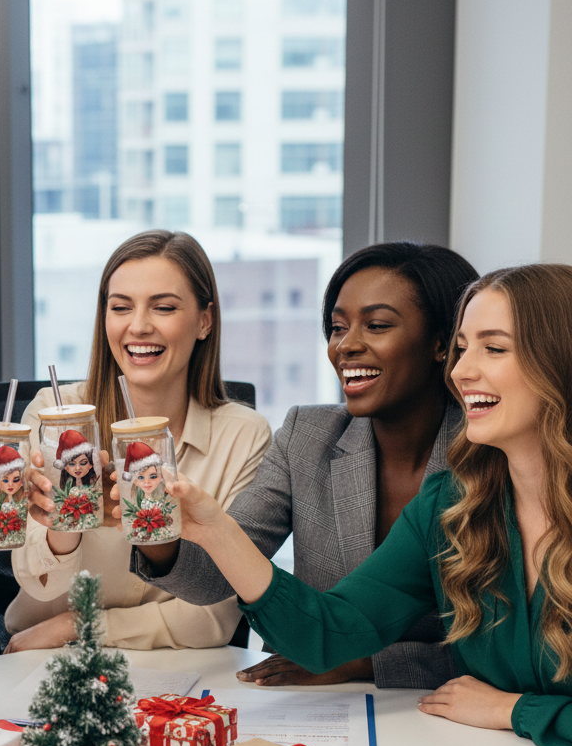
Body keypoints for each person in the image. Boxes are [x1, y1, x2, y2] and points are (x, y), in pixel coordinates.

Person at [143, 263, 572, 746]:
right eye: (463, 348)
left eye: (493, 349)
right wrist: (215, 529)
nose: (460, 371)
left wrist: (513, 710)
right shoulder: (452, 504)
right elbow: (328, 632)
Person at [133, 242, 478, 688]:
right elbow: (215, 579)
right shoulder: (307, 435)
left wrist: (364, 664)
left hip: (441, 704)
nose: (346, 345)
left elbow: (502, 651)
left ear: (442, 343)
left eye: (376, 325)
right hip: (309, 703)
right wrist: (156, 532)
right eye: (337, 328)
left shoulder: (487, 456)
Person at [1, 230, 271, 652]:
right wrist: (64, 524)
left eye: (163, 307)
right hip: (44, 660)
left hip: (176, 668)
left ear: (204, 320)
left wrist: (79, 625)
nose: (139, 326)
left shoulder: (245, 435)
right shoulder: (53, 414)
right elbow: (39, 583)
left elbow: (215, 614)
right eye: (121, 307)